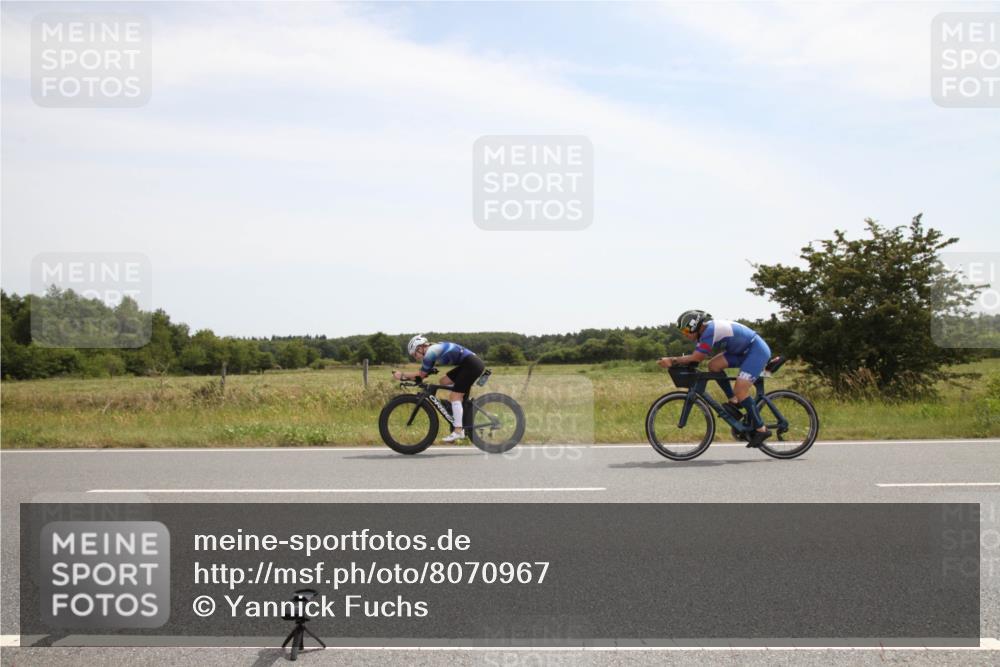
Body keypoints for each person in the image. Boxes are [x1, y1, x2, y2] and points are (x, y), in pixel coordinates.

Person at [658, 310, 772, 448]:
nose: (685, 334)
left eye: (686, 330)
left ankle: (761, 429)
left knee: (740, 390)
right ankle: (733, 400)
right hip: (742, 352)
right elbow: (697, 358)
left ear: (695, 326)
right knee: (714, 366)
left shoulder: (709, 332)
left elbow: (697, 357)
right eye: (683, 332)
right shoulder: (704, 333)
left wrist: (672, 360)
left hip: (756, 350)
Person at [393, 335, 485, 443]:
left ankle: (458, 430)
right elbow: (424, 373)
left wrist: (402, 375)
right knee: (444, 381)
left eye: (415, 354)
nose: (415, 357)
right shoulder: (432, 350)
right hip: (468, 364)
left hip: (472, 365)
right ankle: (458, 407)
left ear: (420, 348)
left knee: (455, 396)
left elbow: (421, 375)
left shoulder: (431, 352)